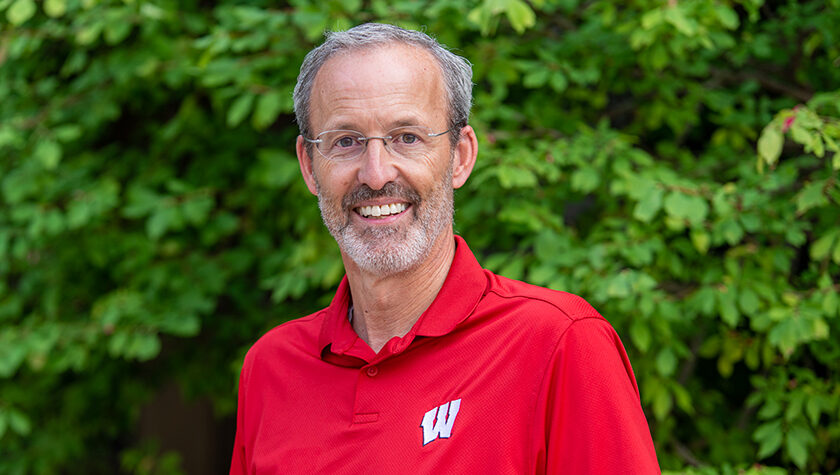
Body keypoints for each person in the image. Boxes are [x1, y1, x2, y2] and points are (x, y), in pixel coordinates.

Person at [230, 23, 660, 474]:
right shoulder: (271, 367)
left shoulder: (559, 344)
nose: (375, 174)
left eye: (407, 137)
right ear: (309, 167)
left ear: (460, 156)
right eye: (346, 142)